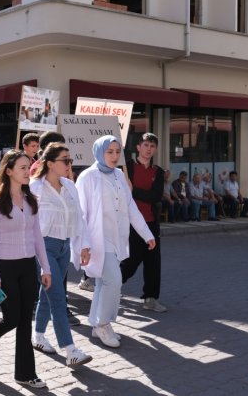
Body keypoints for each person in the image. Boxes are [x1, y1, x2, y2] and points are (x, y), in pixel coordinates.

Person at [0, 150, 52, 389]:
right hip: (5, 268)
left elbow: (37, 236)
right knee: (13, 317)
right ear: (8, 171)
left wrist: (45, 267)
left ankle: (25, 373)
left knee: (26, 320)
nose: (28, 171)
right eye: (22, 168)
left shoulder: (31, 199)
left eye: (29, 167)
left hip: (28, 266)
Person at [76, 135, 155, 348]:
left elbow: (131, 208)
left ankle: (95, 323)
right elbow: (80, 214)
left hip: (116, 237)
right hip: (97, 239)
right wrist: (83, 243)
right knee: (114, 280)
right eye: (109, 152)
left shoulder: (120, 175)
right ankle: (103, 324)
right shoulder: (87, 176)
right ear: (99, 152)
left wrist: (147, 234)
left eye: (117, 151)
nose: (114, 156)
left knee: (104, 282)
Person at [29, 143, 92, 367]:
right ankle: (70, 349)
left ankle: (37, 335)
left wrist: (83, 245)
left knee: (47, 293)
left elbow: (80, 217)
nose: (69, 164)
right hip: (44, 247)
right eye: (65, 160)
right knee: (57, 297)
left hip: (64, 247)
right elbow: (29, 221)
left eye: (70, 160)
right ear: (49, 163)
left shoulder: (69, 185)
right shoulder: (35, 187)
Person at [121, 133, 168, 313]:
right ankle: (112, 286)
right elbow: (123, 193)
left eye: (152, 146)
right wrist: (132, 192)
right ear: (138, 147)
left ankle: (151, 298)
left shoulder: (158, 171)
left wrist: (133, 191)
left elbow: (155, 197)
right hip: (130, 222)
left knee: (153, 262)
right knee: (131, 261)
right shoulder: (127, 168)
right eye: (146, 145)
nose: (149, 149)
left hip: (150, 222)